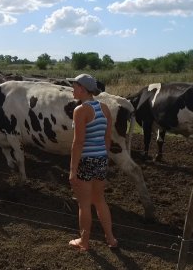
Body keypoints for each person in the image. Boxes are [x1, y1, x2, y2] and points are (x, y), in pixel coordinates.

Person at [66, 74, 118, 252]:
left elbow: (78, 142)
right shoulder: (104, 108)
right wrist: (102, 157)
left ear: (82, 89)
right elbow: (107, 138)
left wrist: (73, 170)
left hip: (86, 161)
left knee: (84, 204)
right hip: (101, 159)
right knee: (100, 200)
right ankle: (110, 238)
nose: (72, 90)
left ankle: (84, 241)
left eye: (74, 87)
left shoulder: (80, 110)